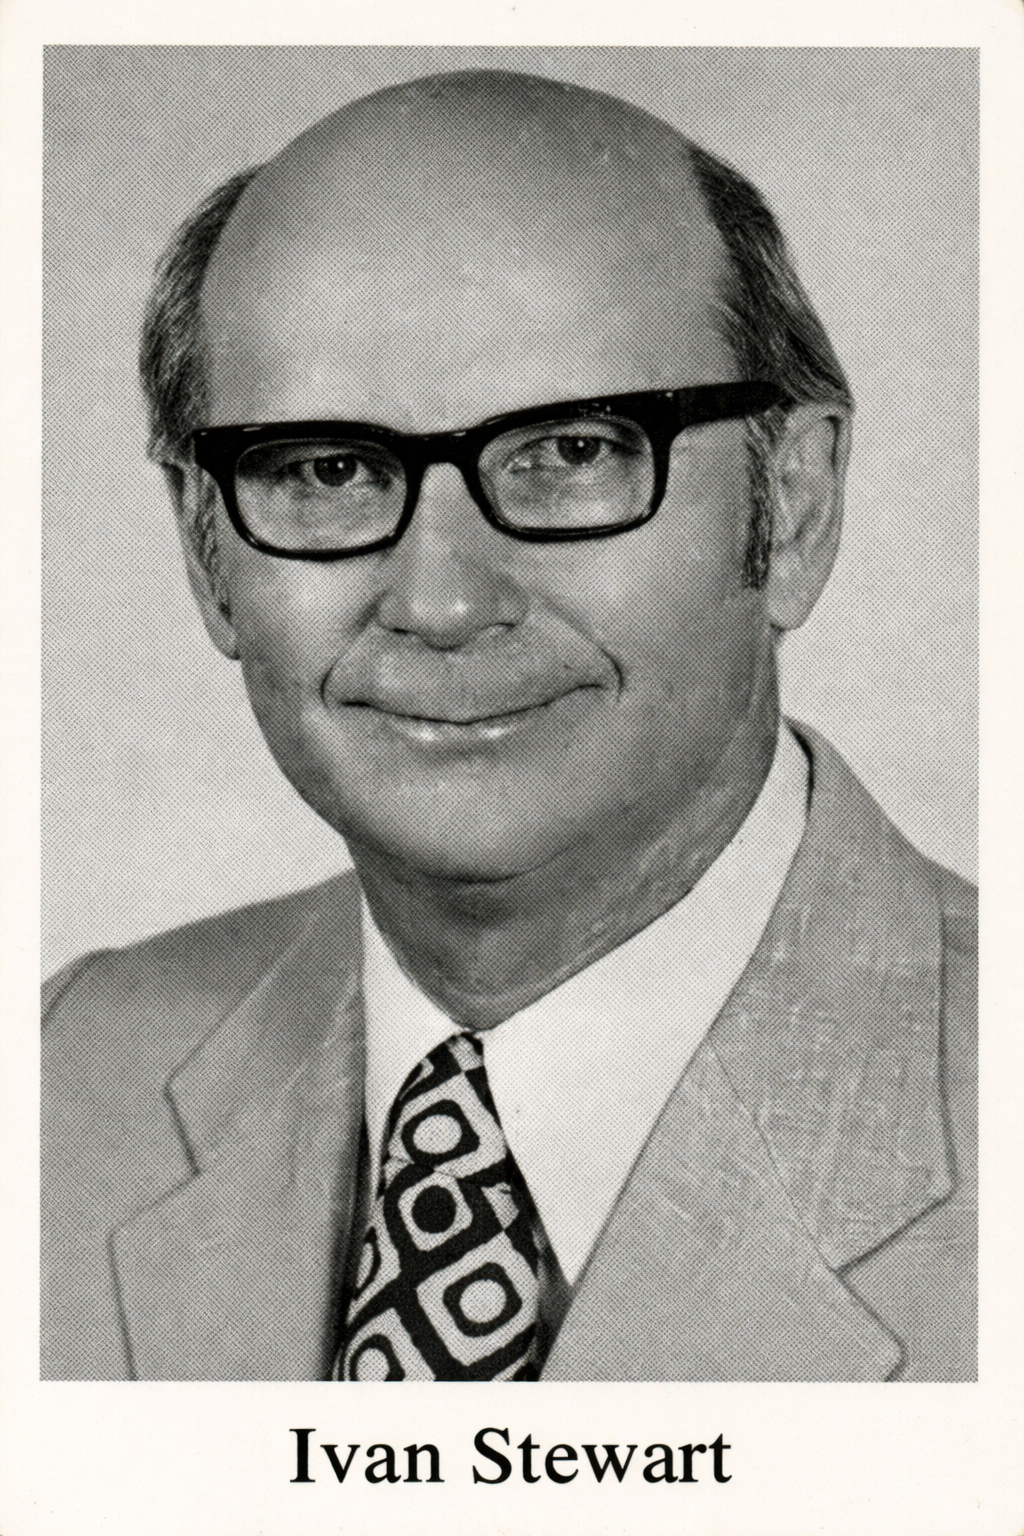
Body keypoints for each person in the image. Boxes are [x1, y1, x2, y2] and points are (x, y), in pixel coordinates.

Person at [41, 68, 976, 1382]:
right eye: (326, 469)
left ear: (796, 506)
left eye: (574, 451)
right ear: (207, 553)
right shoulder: (66, 1074)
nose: (441, 602)